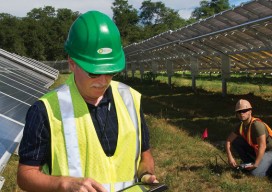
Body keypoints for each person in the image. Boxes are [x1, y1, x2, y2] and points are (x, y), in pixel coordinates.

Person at [17, 10, 158, 192]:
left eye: (110, 72)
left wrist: (146, 174)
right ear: (72, 63)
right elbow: (25, 175)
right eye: (93, 72)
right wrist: (64, 184)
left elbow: (145, 155)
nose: (103, 81)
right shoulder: (45, 110)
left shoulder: (130, 99)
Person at [225, 99, 272, 177]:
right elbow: (228, 141)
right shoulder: (240, 126)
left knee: (256, 174)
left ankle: (260, 166)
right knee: (236, 141)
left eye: (245, 110)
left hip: (269, 151)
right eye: (239, 111)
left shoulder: (257, 125)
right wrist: (230, 157)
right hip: (258, 151)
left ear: (250, 111)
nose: (242, 113)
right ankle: (249, 163)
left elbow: (262, 146)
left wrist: (256, 164)